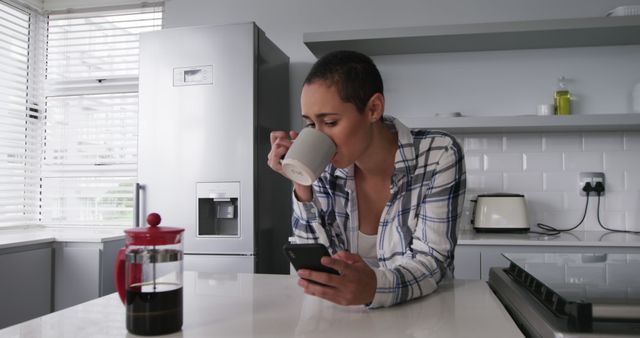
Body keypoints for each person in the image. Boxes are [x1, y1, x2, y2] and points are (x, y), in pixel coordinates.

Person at [267, 50, 466, 308]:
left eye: (329, 121)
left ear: (373, 109)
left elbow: (432, 262)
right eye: (311, 124)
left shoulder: (438, 153)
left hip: (423, 315)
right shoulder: (325, 165)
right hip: (346, 320)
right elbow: (315, 268)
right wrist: (301, 183)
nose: (319, 136)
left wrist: (374, 287)